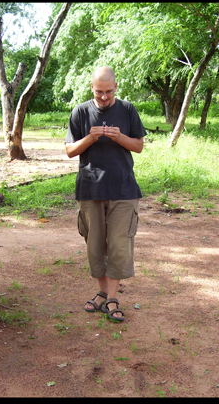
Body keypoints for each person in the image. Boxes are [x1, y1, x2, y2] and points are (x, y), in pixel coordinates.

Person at [65, 66, 147, 322]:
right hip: (90, 188)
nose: (104, 97)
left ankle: (111, 297)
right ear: (92, 88)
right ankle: (102, 292)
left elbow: (139, 146)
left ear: (116, 87)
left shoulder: (127, 110)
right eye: (99, 92)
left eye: (108, 92)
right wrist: (89, 139)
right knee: (95, 246)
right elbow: (70, 151)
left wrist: (120, 137)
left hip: (123, 188)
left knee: (120, 245)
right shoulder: (80, 111)